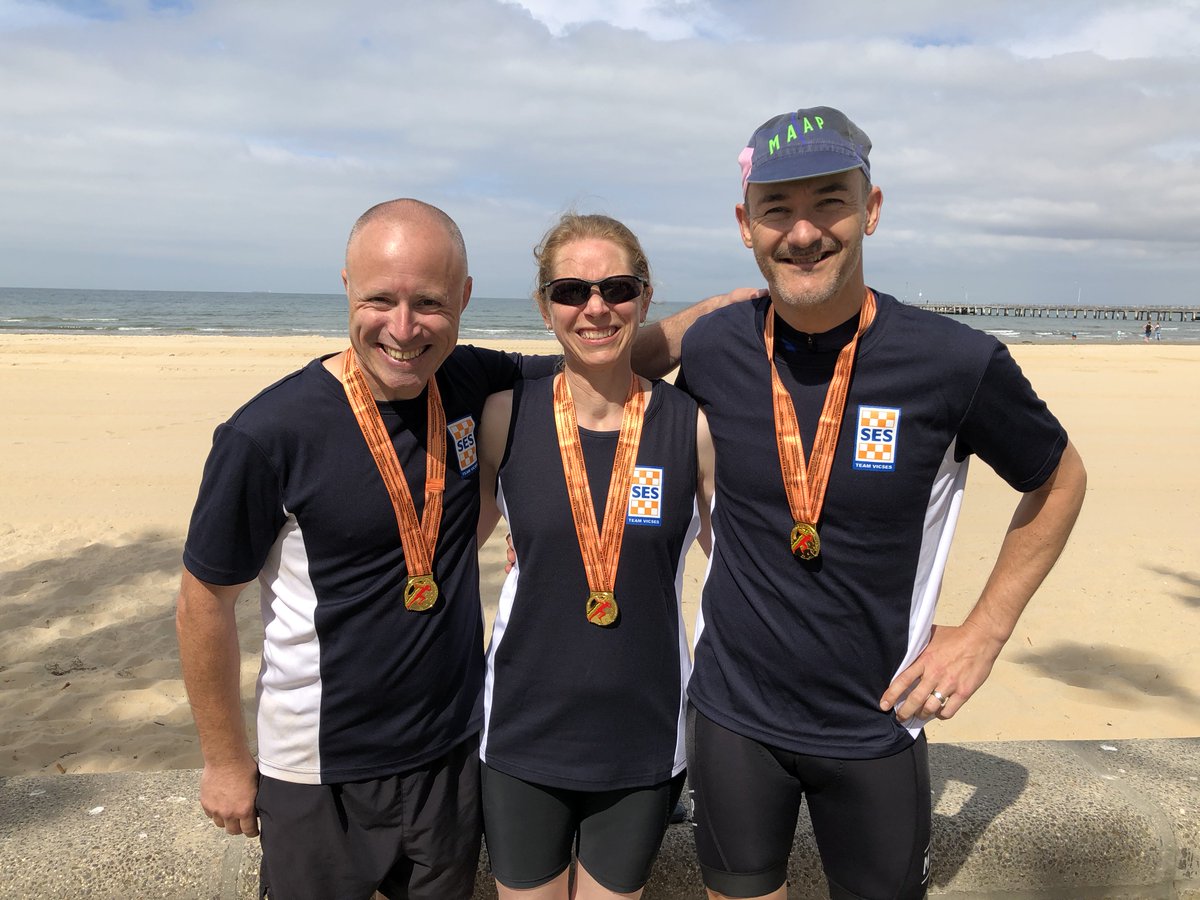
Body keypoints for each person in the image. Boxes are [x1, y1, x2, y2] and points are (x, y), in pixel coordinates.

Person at [642, 107, 1088, 899]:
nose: (804, 232)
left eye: (830, 202)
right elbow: (600, 372)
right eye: (776, 209)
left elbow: (1059, 480)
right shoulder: (714, 347)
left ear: (871, 209)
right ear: (745, 225)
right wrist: (686, 321)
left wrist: (984, 633)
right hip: (732, 716)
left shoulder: (955, 361)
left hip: (876, 721)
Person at [175, 198, 557, 899]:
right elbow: (204, 602)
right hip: (319, 769)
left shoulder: (469, 381)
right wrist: (225, 761)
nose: (404, 329)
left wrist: (711, 329)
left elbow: (597, 362)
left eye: (430, 303)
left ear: (465, 298)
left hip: (448, 756)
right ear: (348, 285)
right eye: (381, 298)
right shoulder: (267, 433)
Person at [475, 214, 715, 899]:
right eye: (572, 290)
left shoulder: (690, 427)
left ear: (644, 296)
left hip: (643, 734)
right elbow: (444, 548)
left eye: (616, 287)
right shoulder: (505, 416)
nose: (595, 307)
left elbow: (746, 570)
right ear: (544, 304)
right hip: (522, 730)